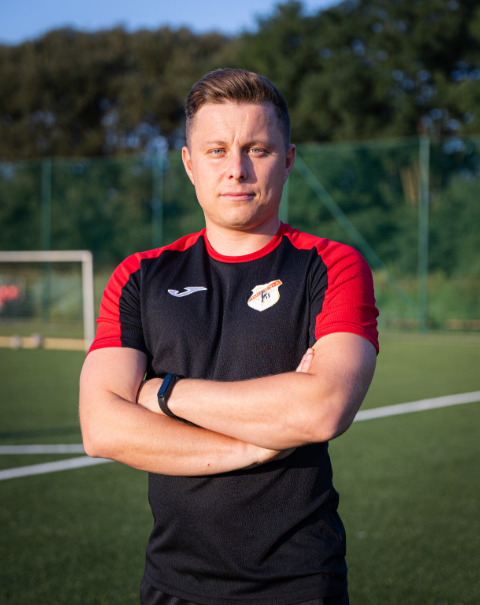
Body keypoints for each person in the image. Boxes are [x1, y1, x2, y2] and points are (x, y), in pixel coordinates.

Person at [79, 68, 379, 605]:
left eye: (257, 149)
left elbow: (323, 409)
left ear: (288, 159)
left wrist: (164, 393)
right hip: (170, 583)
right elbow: (101, 428)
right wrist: (256, 445)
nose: (236, 169)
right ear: (189, 164)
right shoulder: (139, 275)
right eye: (216, 151)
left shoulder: (331, 265)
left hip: (298, 582)